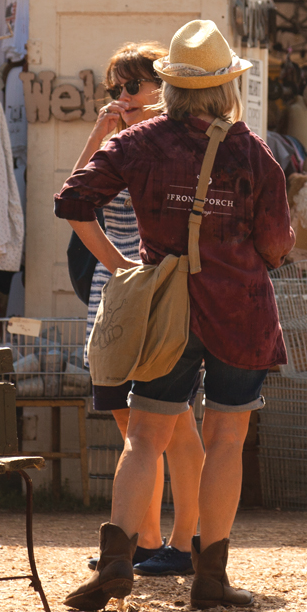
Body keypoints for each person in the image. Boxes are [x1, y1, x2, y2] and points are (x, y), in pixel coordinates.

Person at [56, 19, 293, 611]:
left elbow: (73, 201)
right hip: (239, 309)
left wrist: (122, 267)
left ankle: (116, 563)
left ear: (170, 86)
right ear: (224, 86)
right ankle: (210, 578)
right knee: (226, 439)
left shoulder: (138, 143)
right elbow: (277, 244)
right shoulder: (249, 148)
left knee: (144, 439)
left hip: (165, 309)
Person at [68, 41, 204, 579]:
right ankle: (144, 539)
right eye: (115, 88)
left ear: (159, 88)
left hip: (161, 294)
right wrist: (100, 133)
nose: (122, 97)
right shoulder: (120, 142)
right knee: (131, 426)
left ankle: (185, 538)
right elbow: (73, 198)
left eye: (132, 86)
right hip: (117, 291)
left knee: (175, 426)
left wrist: (130, 265)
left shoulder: (168, 141)